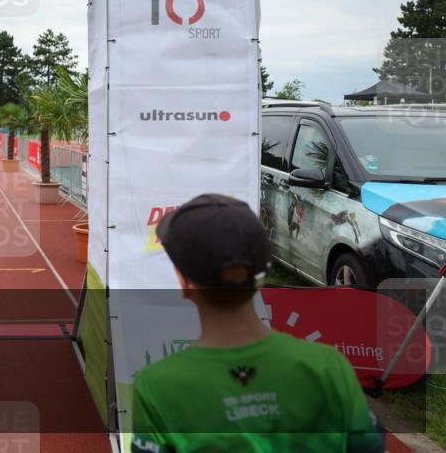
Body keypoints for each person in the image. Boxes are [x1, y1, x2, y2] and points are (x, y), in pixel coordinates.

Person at [130, 193, 385, 453]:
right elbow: (369, 445)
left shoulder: (157, 386)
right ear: (261, 275)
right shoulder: (329, 367)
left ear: (184, 283)